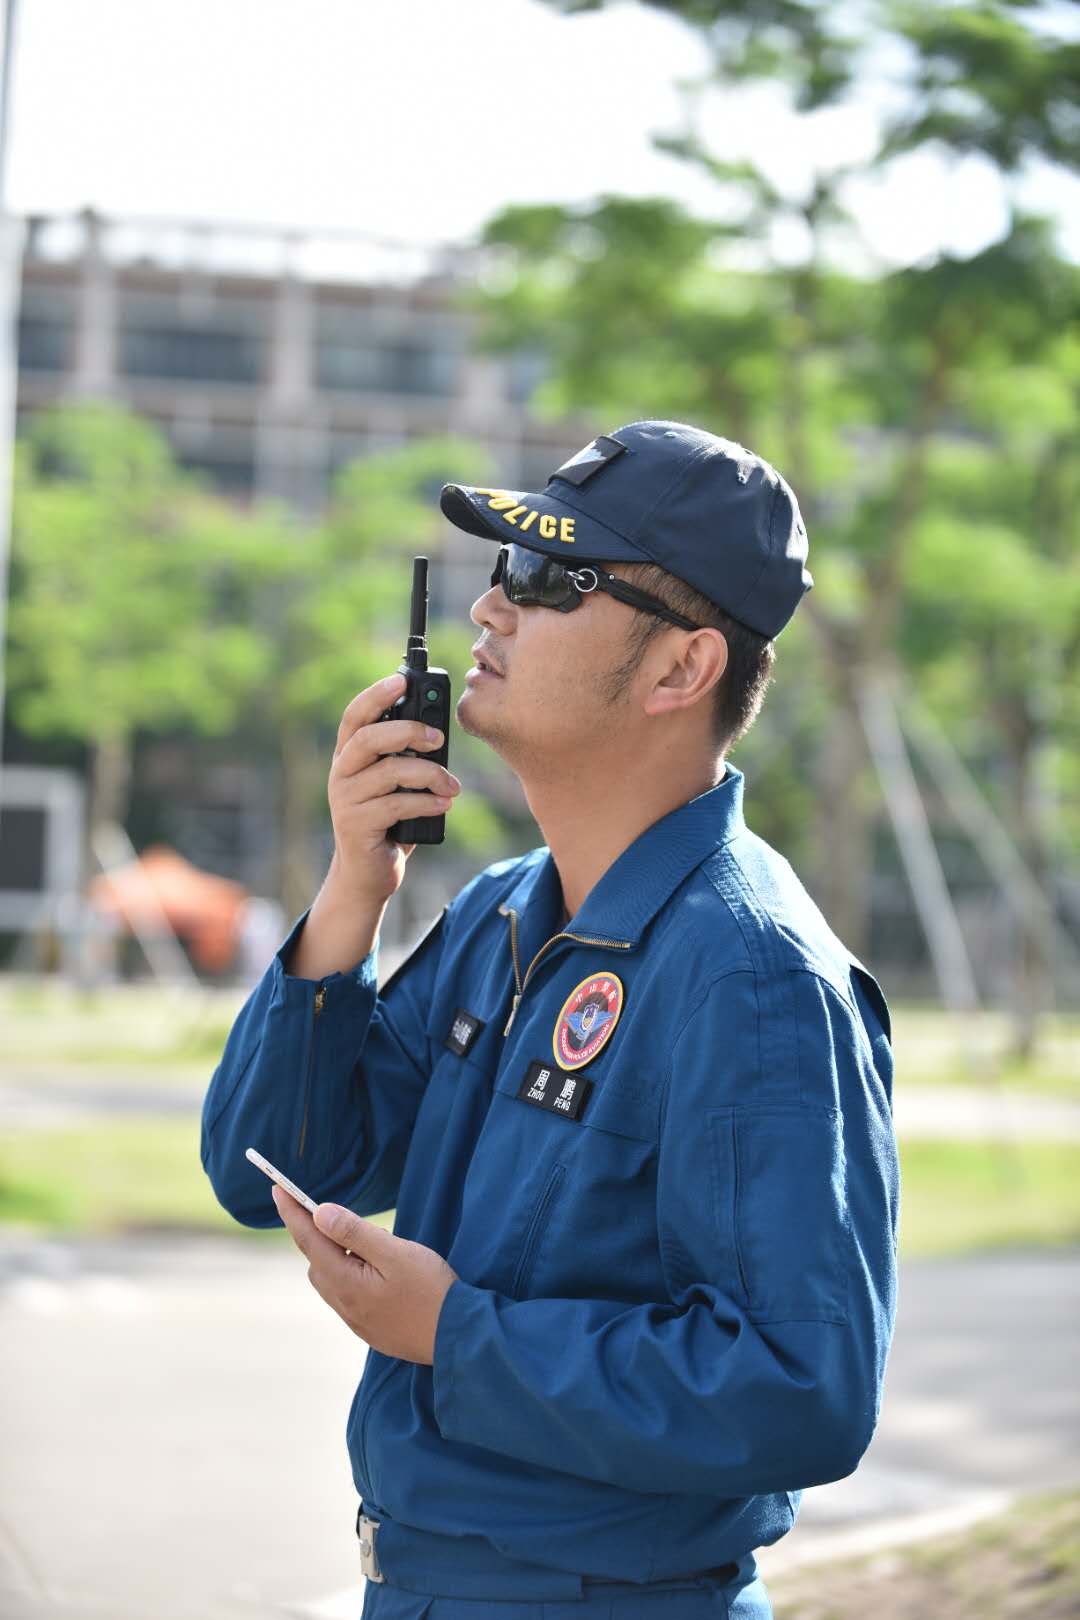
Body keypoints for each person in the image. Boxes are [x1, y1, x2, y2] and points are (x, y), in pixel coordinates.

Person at [201, 419, 900, 1620]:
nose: (490, 609)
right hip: (419, 1586)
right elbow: (269, 1167)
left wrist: (455, 1335)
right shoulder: (504, 911)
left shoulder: (754, 975)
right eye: (496, 572)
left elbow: (799, 1388)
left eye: (548, 578)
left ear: (682, 670)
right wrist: (353, 890)